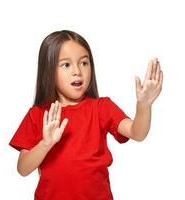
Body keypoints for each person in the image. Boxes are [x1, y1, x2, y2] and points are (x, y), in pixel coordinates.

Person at [9, 30, 163, 200]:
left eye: (84, 63)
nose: (77, 71)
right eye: (66, 65)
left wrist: (144, 105)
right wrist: (45, 144)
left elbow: (137, 133)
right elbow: (23, 169)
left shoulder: (101, 107)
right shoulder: (38, 114)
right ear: (49, 70)